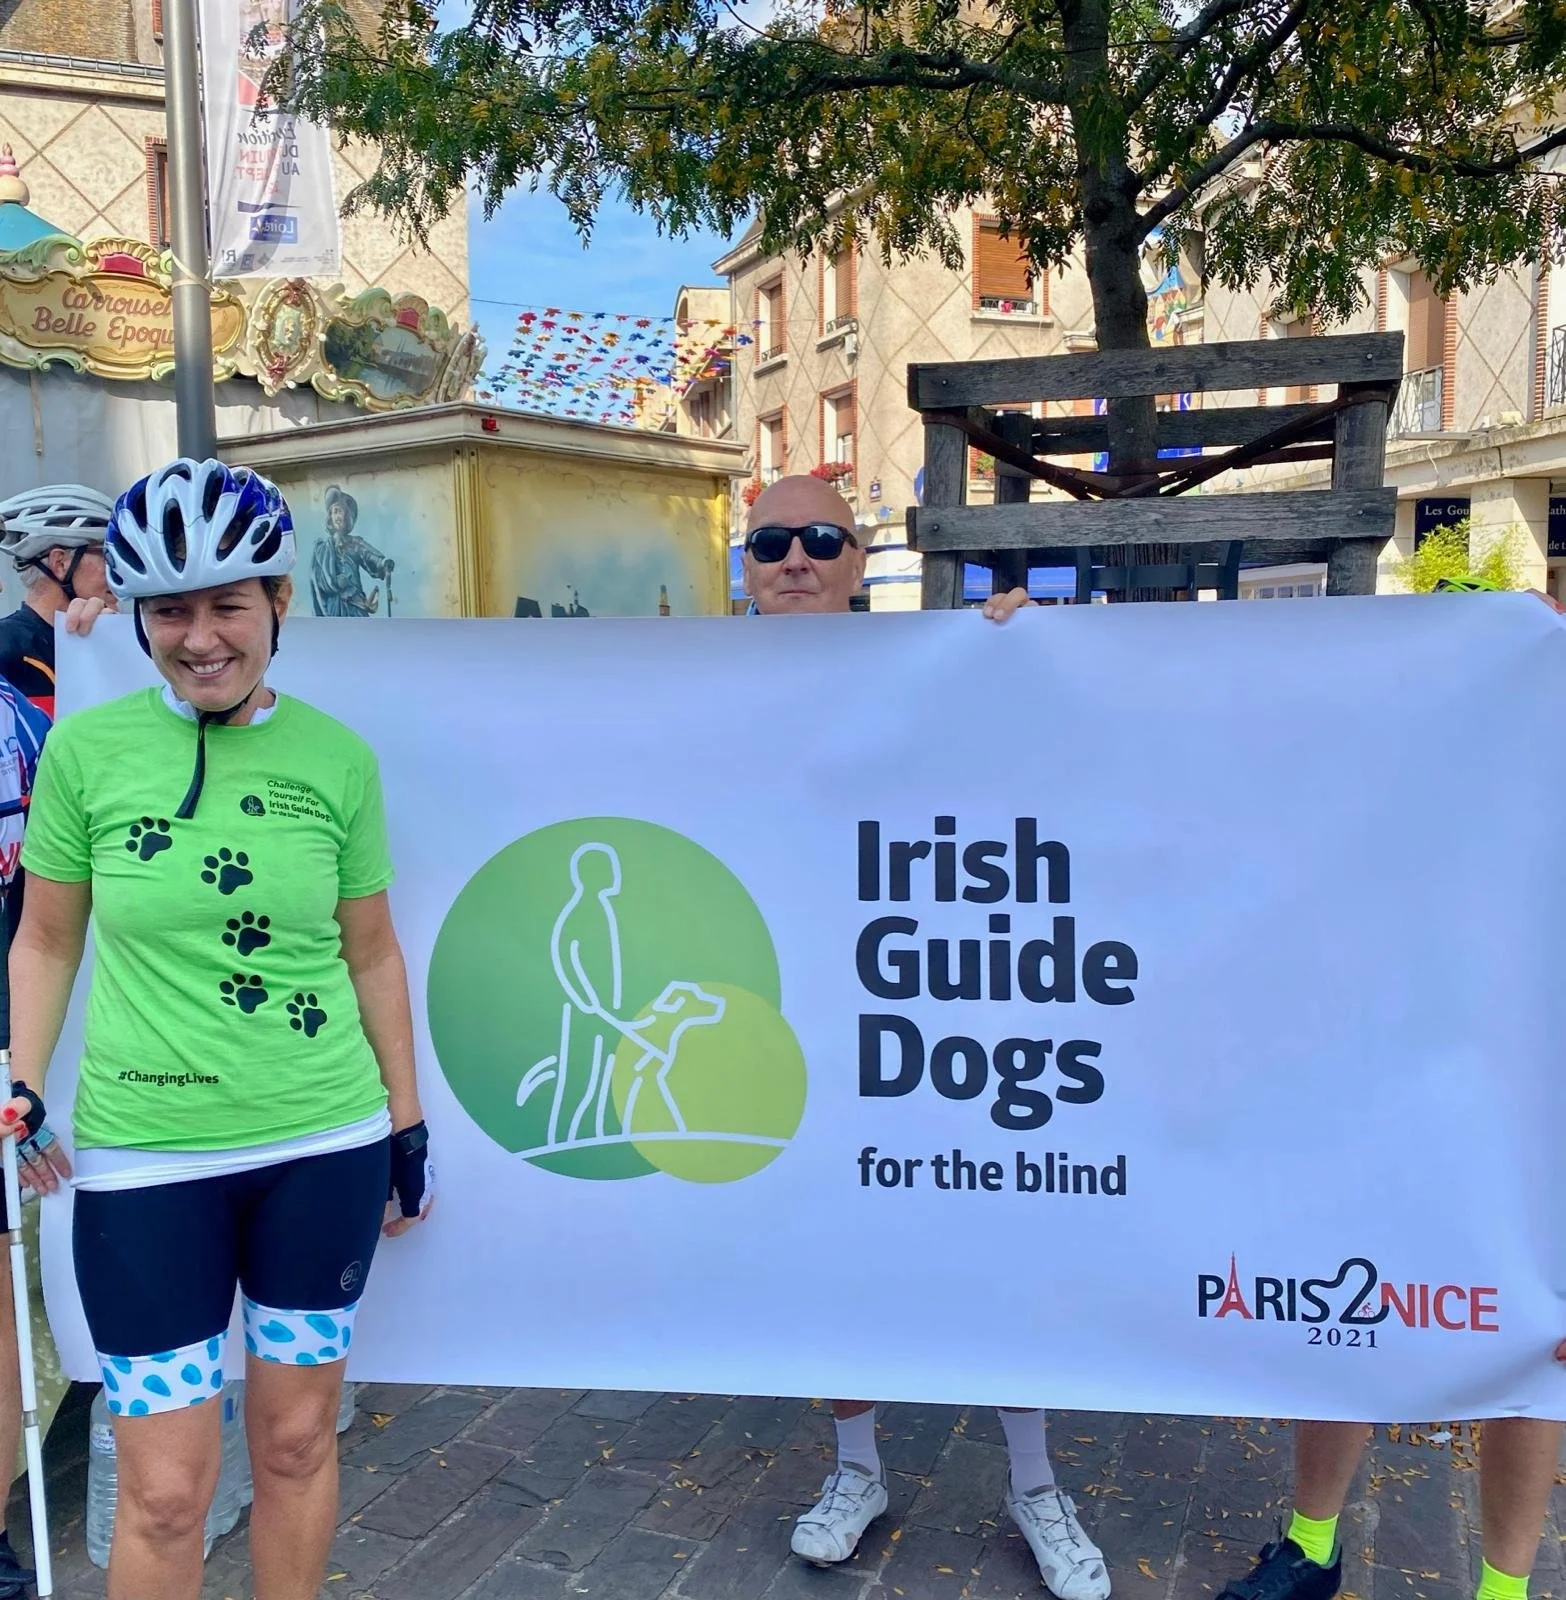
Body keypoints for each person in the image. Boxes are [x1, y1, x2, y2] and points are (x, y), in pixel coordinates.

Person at [2, 456, 434, 1600]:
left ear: (279, 603)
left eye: (227, 604)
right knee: (161, 1492)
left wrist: (406, 1119)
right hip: (148, 1167)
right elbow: (45, 941)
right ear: (137, 615)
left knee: (294, 1445)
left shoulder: (336, 757)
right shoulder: (90, 752)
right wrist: (24, 1076)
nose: (200, 637)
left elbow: (372, 950)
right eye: (170, 610)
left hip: (319, 1150)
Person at [742, 475, 1107, 1599]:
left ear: (859, 563)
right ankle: (858, 1469)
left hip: (925, 1002)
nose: (795, 558)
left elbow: (1050, 749)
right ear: (745, 567)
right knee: (831, 1246)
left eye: (820, 539)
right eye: (770, 541)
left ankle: (1036, 1482)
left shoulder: (936, 665)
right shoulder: (699, 686)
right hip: (790, 1012)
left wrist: (1026, 652)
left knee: (992, 1228)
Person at [1216, 573, 1566, 1600]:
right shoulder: (1505, 674)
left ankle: (1504, 1590)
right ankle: (1309, 1543)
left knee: (1530, 1335)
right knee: (1351, 1298)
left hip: (1533, 1079)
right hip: (1403, 1057)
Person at [0, 484, 117, 722]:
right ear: (60, 563)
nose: (121, 572)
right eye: (108, 556)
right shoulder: (6, 649)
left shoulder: (115, 642)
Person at [308, 487, 394, 617]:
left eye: (340, 511)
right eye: (334, 512)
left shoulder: (355, 543)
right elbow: (317, 580)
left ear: (347, 515)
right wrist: (334, 582)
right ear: (330, 517)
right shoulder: (322, 549)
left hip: (355, 608)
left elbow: (369, 556)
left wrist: (382, 563)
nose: (337, 516)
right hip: (333, 610)